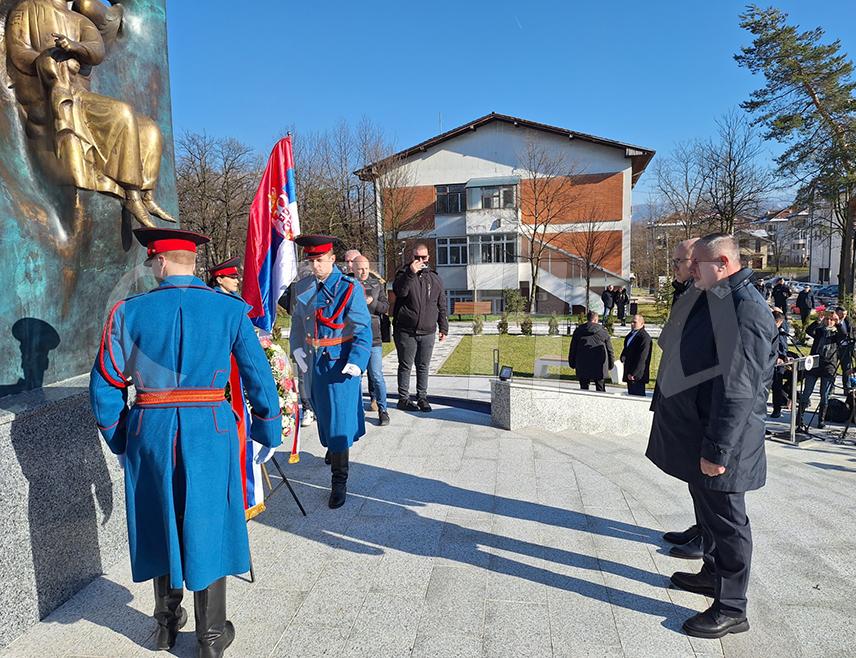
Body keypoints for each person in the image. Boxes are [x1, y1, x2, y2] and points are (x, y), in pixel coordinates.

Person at [89, 228, 282, 656]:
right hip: (210, 429)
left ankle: (165, 625)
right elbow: (258, 380)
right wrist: (267, 431)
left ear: (159, 261)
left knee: (161, 519)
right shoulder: (229, 309)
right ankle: (211, 636)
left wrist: (123, 439)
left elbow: (104, 388)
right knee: (208, 522)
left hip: (150, 428)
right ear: (191, 262)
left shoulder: (127, 312)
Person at [647, 233, 776, 639]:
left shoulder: (745, 310)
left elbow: (739, 389)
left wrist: (718, 449)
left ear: (722, 263)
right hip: (704, 432)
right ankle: (711, 575)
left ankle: (732, 608)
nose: (689, 271)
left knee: (729, 523)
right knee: (711, 515)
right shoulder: (716, 297)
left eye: (696, 264)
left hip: (726, 442)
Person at [289, 235, 372, 508]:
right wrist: (297, 350)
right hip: (315, 363)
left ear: (332, 259)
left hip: (340, 365)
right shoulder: (303, 287)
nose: (315, 266)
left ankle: (339, 480)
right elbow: (299, 325)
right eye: (311, 261)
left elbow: (362, 329)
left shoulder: (349, 288)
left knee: (338, 424)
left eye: (320, 260)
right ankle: (333, 451)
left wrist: (358, 362)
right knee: (323, 415)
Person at [659, 237, 704, 560]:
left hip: (697, 399)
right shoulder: (687, 292)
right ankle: (702, 526)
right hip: (680, 391)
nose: (673, 267)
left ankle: (707, 535)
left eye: (678, 262)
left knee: (705, 478)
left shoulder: (706, 296)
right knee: (693, 474)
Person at [392, 243, 448, 412]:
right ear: (412, 257)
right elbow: (400, 292)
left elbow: (441, 303)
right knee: (406, 365)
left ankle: (422, 398)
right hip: (406, 331)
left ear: (428, 258)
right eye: (417, 257)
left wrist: (443, 327)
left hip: (428, 331)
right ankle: (403, 399)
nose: (420, 260)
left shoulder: (434, 277)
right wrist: (411, 273)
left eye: (423, 257)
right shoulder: (403, 274)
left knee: (423, 366)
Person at [353, 255, 390, 426]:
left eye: (366, 268)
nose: (364, 272)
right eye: (360, 268)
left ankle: (383, 410)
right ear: (353, 268)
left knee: (376, 375)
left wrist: (372, 302)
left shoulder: (377, 284)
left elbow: (386, 307)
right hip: (353, 338)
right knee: (356, 376)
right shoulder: (347, 284)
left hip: (374, 337)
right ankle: (356, 410)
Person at [798, 310, 842, 429]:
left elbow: (844, 335)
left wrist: (838, 323)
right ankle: (799, 418)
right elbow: (809, 330)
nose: (829, 321)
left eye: (831, 320)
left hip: (828, 366)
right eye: (827, 319)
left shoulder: (836, 334)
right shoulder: (820, 331)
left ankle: (821, 420)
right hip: (815, 364)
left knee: (824, 394)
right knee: (807, 391)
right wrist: (818, 320)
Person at [568, 311, 614, 392]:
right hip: (599, 366)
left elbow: (573, 348)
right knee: (600, 389)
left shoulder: (578, 331)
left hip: (582, 364)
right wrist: (611, 364)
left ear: (588, 319)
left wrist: (572, 363)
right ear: (596, 320)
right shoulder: (603, 331)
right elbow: (609, 349)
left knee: (584, 389)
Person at [620, 315, 652, 396]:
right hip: (629, 371)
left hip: (637, 375)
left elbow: (642, 357)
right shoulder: (630, 335)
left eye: (634, 322)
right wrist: (623, 356)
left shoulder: (644, 337)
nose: (632, 324)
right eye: (631, 322)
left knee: (637, 397)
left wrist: (634, 373)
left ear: (642, 324)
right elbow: (627, 348)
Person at [769, 310, 789, 419]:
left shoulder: (781, 332)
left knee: (777, 387)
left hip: (778, 364)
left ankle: (777, 409)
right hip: (767, 363)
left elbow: (783, 347)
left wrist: (781, 357)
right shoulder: (767, 330)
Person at [670, 238, 699, 306]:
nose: (674, 268)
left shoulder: (708, 297)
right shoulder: (681, 289)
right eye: (674, 262)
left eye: (678, 261)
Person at [835, 306, 855, 395]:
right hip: (835, 348)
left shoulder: (848, 321)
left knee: (846, 369)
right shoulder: (832, 321)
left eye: (845, 314)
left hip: (846, 348)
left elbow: (852, 333)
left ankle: (847, 388)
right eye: (841, 314)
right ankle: (830, 388)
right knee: (832, 369)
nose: (843, 315)